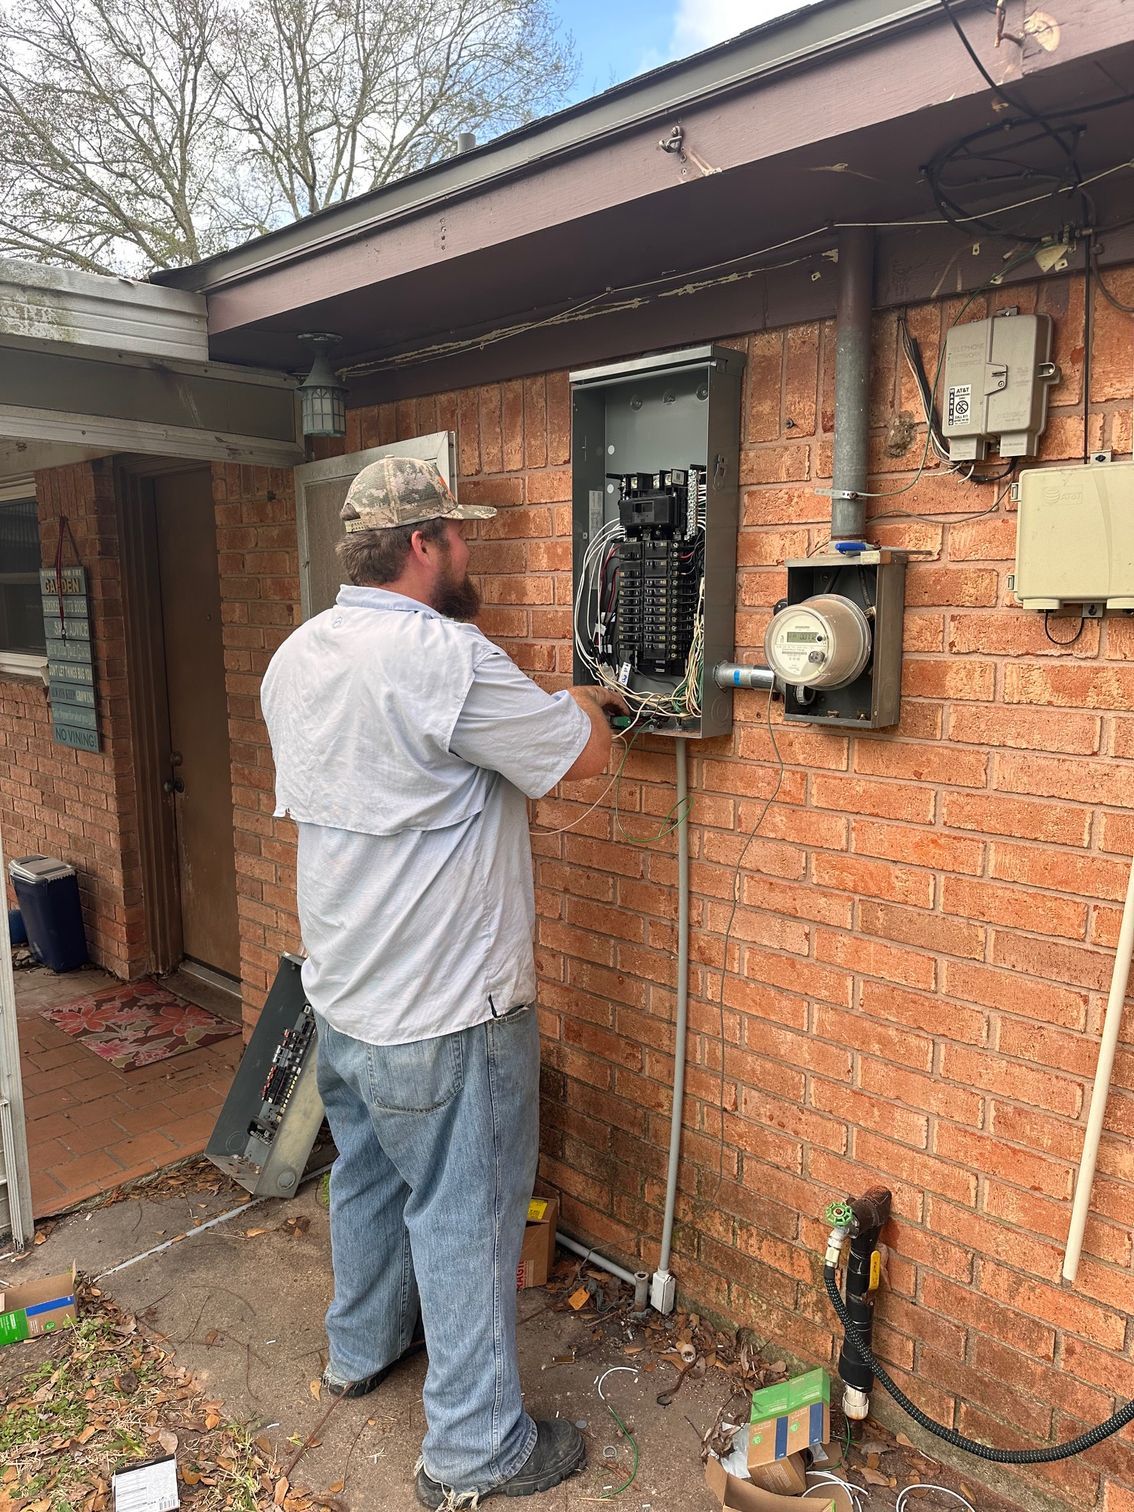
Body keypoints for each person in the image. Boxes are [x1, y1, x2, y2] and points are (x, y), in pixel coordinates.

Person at [260, 456, 626, 1508]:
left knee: (370, 1177)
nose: (471, 550)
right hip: (449, 1013)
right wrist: (590, 707)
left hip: (347, 998)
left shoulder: (299, 655)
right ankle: (475, 1450)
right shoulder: (446, 657)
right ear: (423, 545)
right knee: (466, 1215)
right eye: (459, 534)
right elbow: (578, 760)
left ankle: (360, 1347)